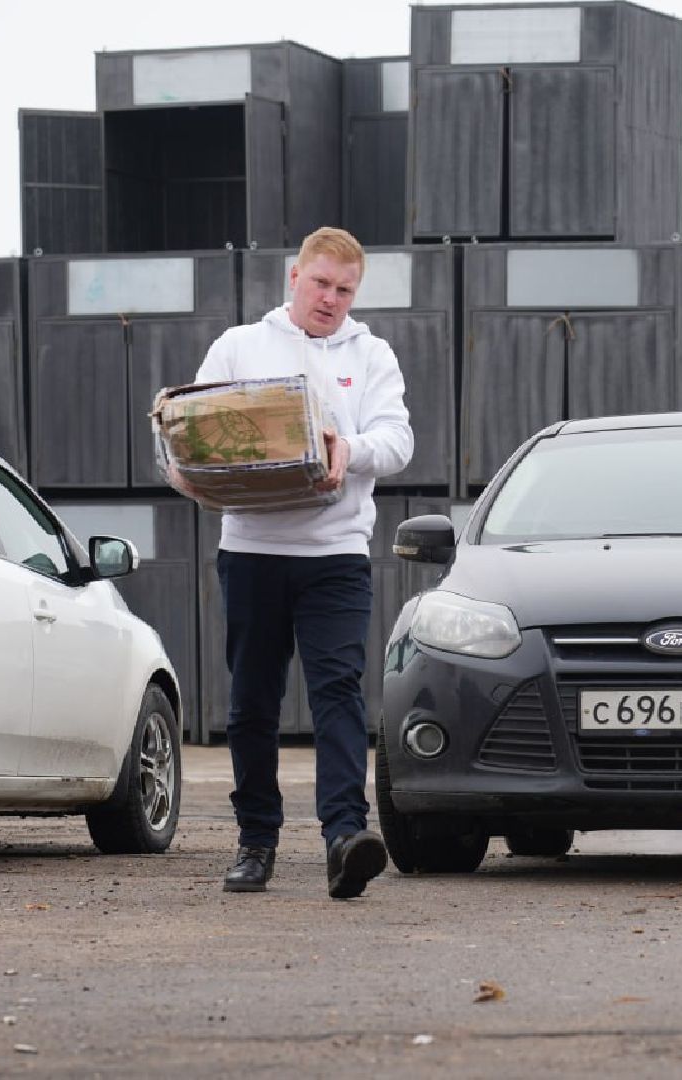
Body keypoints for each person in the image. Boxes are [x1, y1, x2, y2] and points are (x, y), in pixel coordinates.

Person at [183, 226, 412, 899]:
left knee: (337, 690)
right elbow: (194, 430)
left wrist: (353, 449)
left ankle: (346, 837)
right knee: (252, 701)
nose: (330, 299)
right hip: (252, 550)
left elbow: (396, 439)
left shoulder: (371, 354)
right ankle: (256, 842)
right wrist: (191, 473)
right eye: (321, 283)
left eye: (344, 290)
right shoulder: (239, 346)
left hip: (336, 552)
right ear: (294, 277)